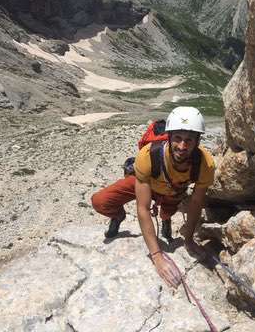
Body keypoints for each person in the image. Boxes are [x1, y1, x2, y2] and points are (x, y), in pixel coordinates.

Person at [91, 107, 215, 287]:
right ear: (169, 137)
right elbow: (143, 207)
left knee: (166, 214)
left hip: (172, 191)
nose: (182, 146)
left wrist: (188, 240)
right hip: (145, 183)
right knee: (100, 201)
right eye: (178, 138)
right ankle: (118, 216)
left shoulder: (205, 164)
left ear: (197, 141)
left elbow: (196, 203)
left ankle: (166, 221)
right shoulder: (149, 155)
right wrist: (157, 256)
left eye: (189, 140)